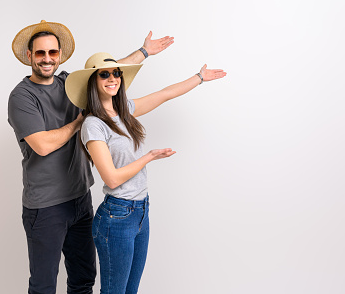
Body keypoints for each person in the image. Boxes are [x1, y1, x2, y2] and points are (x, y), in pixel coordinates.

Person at [7, 20, 174, 294]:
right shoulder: (22, 96)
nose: (47, 59)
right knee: (43, 286)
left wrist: (143, 52)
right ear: (29, 56)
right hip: (46, 207)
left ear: (59, 55)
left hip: (80, 200)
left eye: (52, 52)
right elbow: (43, 145)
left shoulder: (68, 84)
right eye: (40, 53)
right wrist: (80, 121)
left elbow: (104, 71)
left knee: (83, 281)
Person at [64, 52, 226, 293]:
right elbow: (111, 177)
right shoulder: (93, 125)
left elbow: (164, 94)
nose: (113, 78)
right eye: (104, 74)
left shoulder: (125, 110)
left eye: (116, 73)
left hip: (140, 212)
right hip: (116, 218)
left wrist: (199, 78)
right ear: (93, 82)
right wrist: (148, 157)